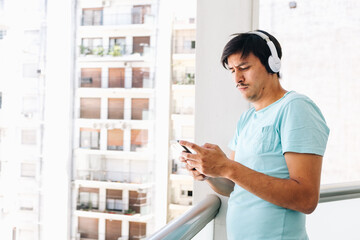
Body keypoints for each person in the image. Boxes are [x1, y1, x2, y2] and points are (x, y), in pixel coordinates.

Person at [179, 30, 330, 240]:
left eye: (244, 68)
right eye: (232, 70)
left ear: (272, 64)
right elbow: (233, 186)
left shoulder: (296, 108)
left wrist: (227, 167)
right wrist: (209, 172)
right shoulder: (247, 118)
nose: (237, 78)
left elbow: (306, 199)